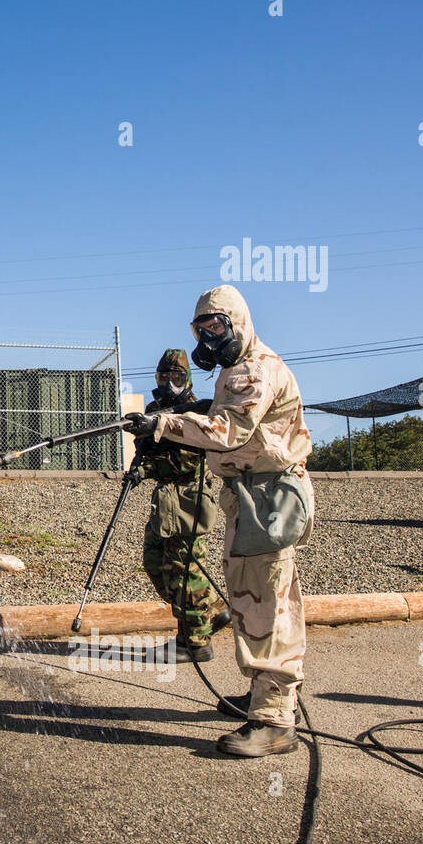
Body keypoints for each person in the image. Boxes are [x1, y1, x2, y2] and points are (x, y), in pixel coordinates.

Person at [126, 286, 314, 757]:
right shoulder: (235, 371)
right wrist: (179, 415)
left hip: (266, 498)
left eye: (217, 327)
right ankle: (265, 698)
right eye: (202, 329)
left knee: (265, 603)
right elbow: (221, 417)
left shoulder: (253, 371)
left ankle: (273, 720)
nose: (210, 338)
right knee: (253, 596)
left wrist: (164, 424)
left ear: (238, 323)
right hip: (250, 497)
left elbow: (229, 431)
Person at [136, 349, 228, 663]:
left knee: (185, 569)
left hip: (189, 498)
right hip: (165, 502)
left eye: (177, 378)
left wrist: (151, 463)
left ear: (186, 379)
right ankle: (210, 610)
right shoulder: (153, 409)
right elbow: (150, 453)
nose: (170, 384)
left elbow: (185, 462)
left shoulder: (196, 412)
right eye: (164, 377)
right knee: (154, 562)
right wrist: (142, 453)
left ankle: (195, 642)